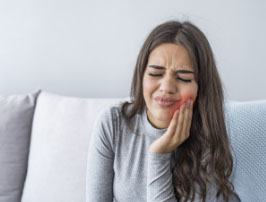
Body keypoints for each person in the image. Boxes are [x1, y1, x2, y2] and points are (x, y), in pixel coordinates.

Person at [86, 20, 241, 202]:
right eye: (155, 73)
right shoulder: (112, 124)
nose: (166, 87)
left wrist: (159, 155)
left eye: (183, 77)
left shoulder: (209, 140)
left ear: (201, 88)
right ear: (141, 76)